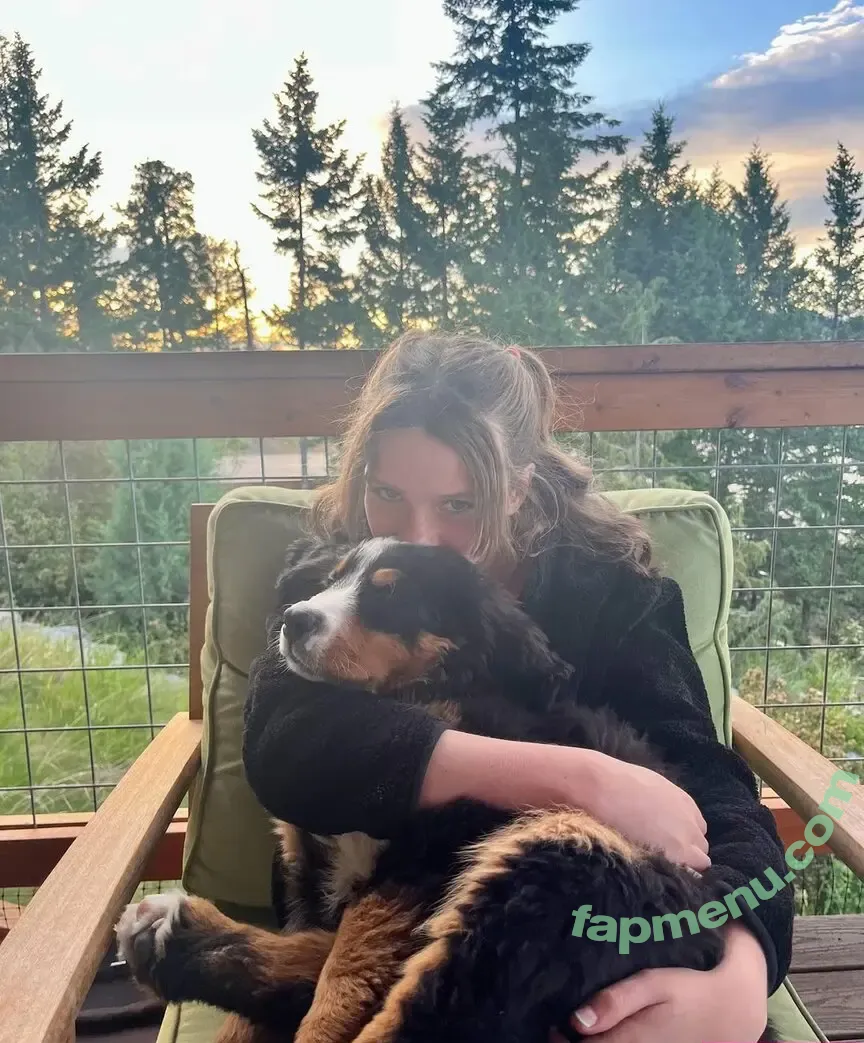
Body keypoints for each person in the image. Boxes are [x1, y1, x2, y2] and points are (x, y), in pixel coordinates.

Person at [242, 331, 792, 1043]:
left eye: (460, 504)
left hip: (541, 943)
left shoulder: (612, 595)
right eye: (387, 493)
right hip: (359, 930)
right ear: (362, 479)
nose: (421, 536)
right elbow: (282, 739)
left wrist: (745, 969)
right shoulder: (339, 566)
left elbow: (713, 786)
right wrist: (580, 779)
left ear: (517, 490)